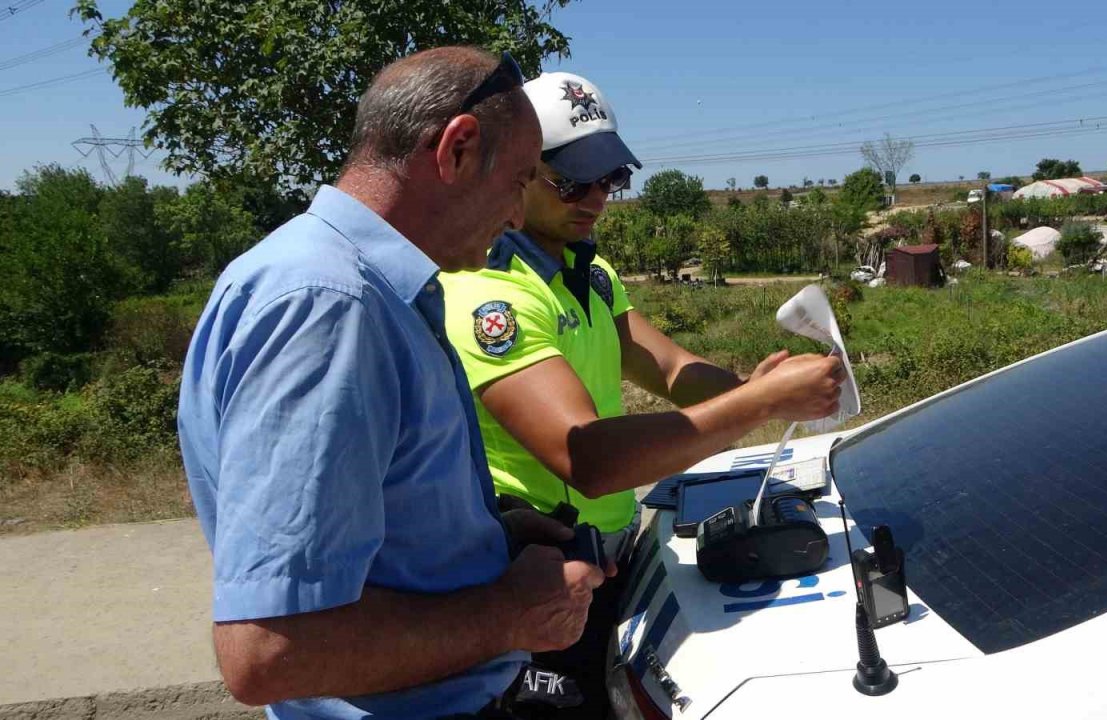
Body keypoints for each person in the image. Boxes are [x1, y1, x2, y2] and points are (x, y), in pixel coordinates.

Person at [177, 47, 608, 720]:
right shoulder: (332, 308)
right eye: (519, 181)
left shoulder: (358, 288)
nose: (518, 217)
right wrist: (510, 614)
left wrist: (482, 534)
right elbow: (271, 652)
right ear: (458, 149)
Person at [440, 71, 844, 718]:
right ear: (516, 172)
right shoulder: (491, 294)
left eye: (610, 178)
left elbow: (669, 366)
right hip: (536, 582)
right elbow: (590, 461)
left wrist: (753, 387)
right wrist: (761, 405)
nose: (596, 198)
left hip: (611, 565)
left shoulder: (589, 272)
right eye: (572, 181)